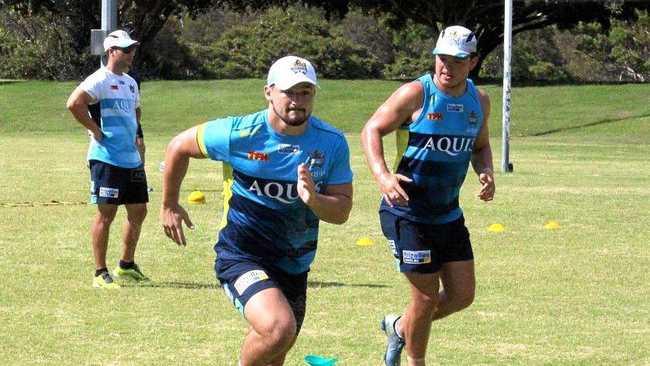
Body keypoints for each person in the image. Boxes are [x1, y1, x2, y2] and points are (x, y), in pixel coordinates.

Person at [160, 55, 353, 365]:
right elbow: (178, 146)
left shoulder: (331, 143)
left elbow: (342, 211)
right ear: (269, 92)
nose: (297, 101)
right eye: (289, 92)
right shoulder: (239, 133)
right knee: (279, 328)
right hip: (241, 256)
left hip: (294, 264)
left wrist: (315, 200)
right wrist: (169, 204)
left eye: (305, 92)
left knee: (275, 352)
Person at [360, 25, 496, 366]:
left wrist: (486, 170)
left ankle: (399, 326)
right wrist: (382, 176)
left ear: (473, 62)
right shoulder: (415, 94)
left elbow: (480, 146)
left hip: (448, 213)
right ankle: (415, 361)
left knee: (462, 295)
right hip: (406, 212)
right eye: (441, 58)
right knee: (423, 295)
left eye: (457, 60)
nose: (446, 67)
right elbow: (371, 129)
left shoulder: (479, 101)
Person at [66, 29, 150, 289]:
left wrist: (139, 136)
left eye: (133, 49)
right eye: (126, 50)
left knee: (139, 211)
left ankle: (126, 265)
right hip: (106, 159)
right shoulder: (99, 80)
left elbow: (136, 110)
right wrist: (95, 130)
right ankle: (100, 273)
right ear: (112, 51)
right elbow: (74, 103)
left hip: (131, 158)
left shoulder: (131, 82)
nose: (131, 54)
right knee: (107, 214)